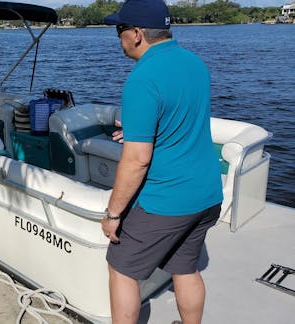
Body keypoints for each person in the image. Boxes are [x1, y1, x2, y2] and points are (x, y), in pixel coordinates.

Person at [101, 0, 223, 323]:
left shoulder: (142, 78)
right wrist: (139, 131)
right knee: (185, 267)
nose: (118, 38)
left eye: (119, 30)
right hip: (207, 194)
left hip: (168, 200)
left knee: (120, 266)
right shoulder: (196, 64)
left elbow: (138, 161)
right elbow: (179, 119)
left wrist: (113, 214)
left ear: (137, 34)